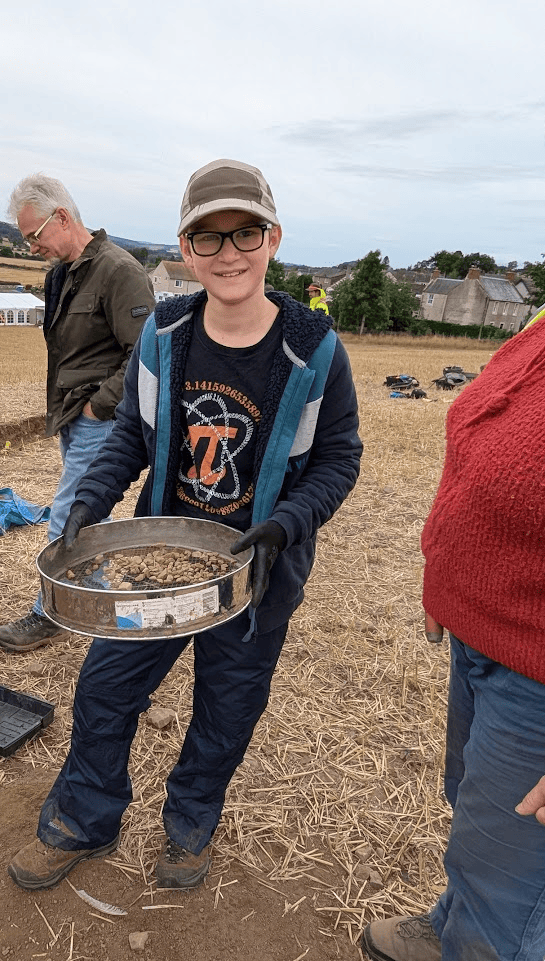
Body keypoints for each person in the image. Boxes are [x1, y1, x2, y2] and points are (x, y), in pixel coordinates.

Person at [8, 159, 362, 892]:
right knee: (105, 688)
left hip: (256, 571)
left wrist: (286, 524)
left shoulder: (314, 349)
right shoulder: (166, 335)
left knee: (226, 708)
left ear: (273, 238)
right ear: (184, 248)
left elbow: (337, 459)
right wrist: (88, 502)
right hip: (155, 561)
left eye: (245, 233)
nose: (228, 252)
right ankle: (84, 815)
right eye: (208, 237)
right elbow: (133, 435)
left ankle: (190, 823)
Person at [361, 316, 545, 961]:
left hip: (538, 676)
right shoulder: (541, 323)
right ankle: (453, 928)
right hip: (485, 637)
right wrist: (445, 561)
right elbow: (480, 443)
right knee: (476, 816)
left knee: (516, 879)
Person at [0, 175, 155, 653]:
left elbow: (147, 354)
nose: (31, 245)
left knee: (67, 517)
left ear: (62, 218)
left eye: (34, 235)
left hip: (100, 422)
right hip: (72, 417)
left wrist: (97, 405)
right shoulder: (60, 275)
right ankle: (106, 613)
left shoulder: (119, 271)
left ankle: (49, 615)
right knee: (87, 523)